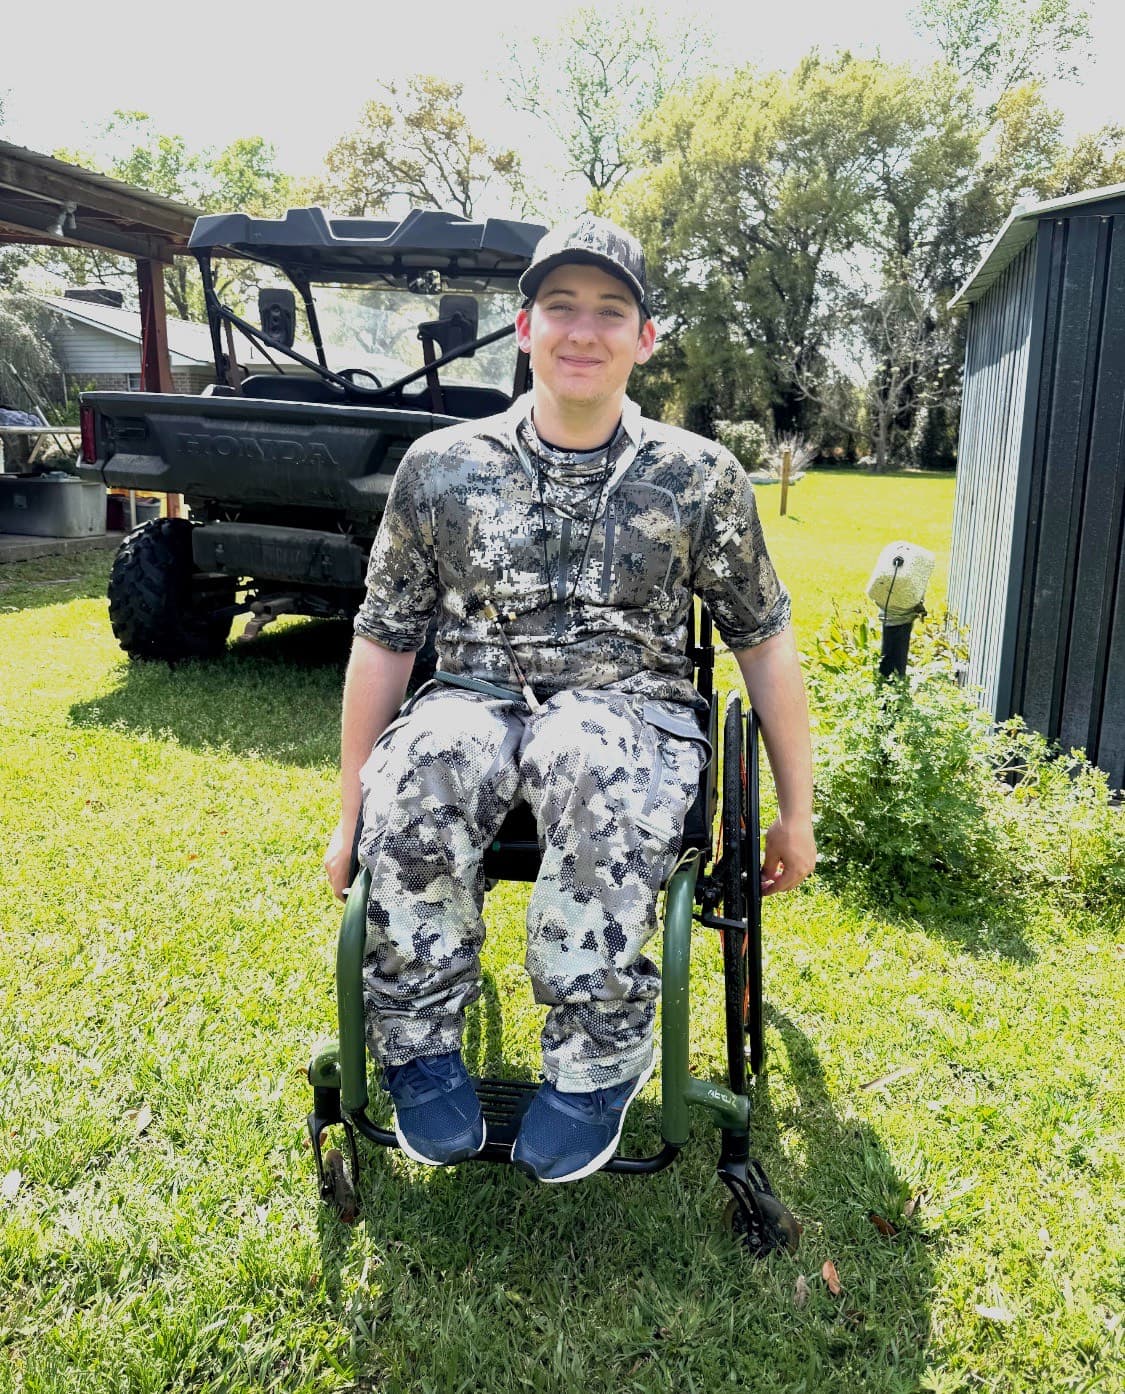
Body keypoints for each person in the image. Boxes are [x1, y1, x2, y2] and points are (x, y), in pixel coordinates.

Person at [324, 213, 815, 1183]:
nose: (582, 330)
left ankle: (595, 1062)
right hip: (471, 695)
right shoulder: (441, 468)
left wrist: (796, 811)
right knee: (430, 757)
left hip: (629, 707)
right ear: (524, 327)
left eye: (609, 310)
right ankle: (418, 1044)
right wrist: (350, 813)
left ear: (645, 337)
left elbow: (763, 642)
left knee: (584, 747)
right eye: (560, 307)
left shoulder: (696, 477)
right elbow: (383, 640)